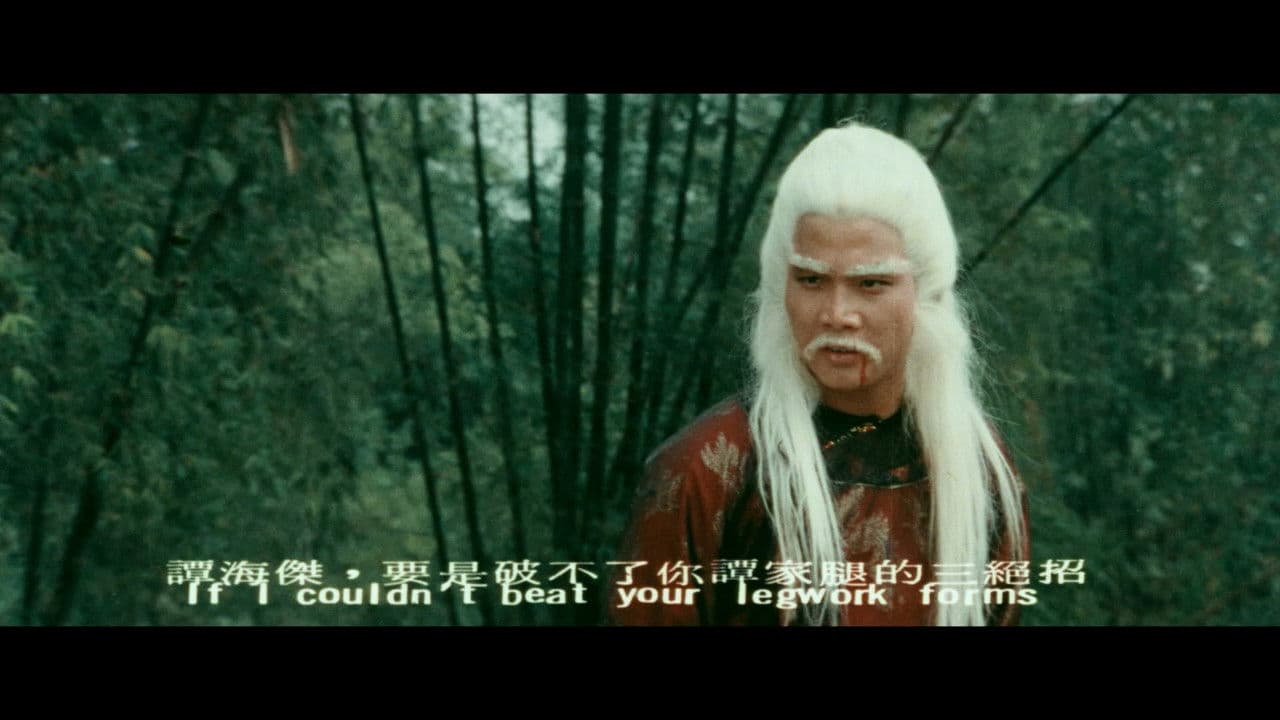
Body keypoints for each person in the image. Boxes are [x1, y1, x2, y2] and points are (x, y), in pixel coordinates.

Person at [608, 122, 1029, 626]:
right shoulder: (706, 471)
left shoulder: (977, 471)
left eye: (871, 284)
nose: (837, 314)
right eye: (810, 280)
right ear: (780, 287)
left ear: (926, 292)